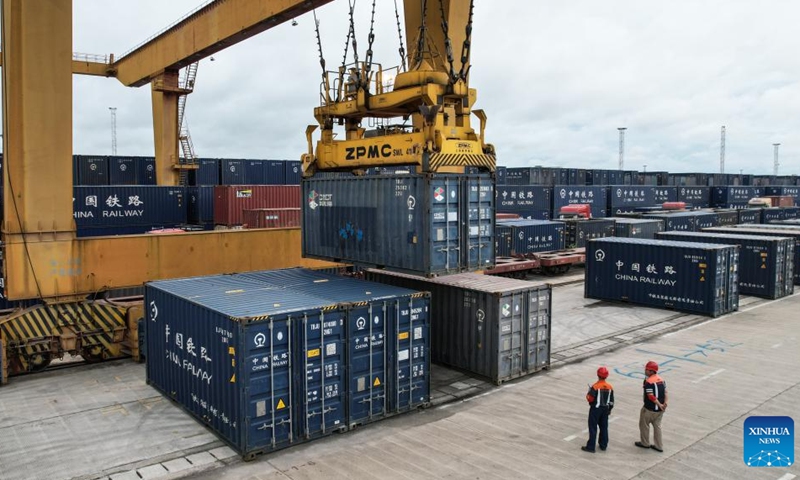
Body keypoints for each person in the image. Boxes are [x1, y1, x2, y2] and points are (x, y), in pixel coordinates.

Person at [635, 360, 668, 452]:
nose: (645, 371)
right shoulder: (662, 380)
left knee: (644, 425)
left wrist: (658, 404)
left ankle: (645, 443)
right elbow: (666, 392)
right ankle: (659, 446)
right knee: (657, 427)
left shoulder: (648, 381)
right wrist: (664, 404)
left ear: (651, 371)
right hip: (660, 410)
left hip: (649, 409)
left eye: (647, 369)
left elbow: (651, 396)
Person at [582, 366, 614, 453]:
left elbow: (590, 399)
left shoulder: (595, 387)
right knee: (604, 427)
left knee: (593, 427)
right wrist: (609, 410)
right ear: (606, 376)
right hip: (605, 410)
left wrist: (588, 393)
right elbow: (611, 401)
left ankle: (591, 446)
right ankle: (603, 445)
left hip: (595, 410)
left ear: (598, 375)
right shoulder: (610, 387)